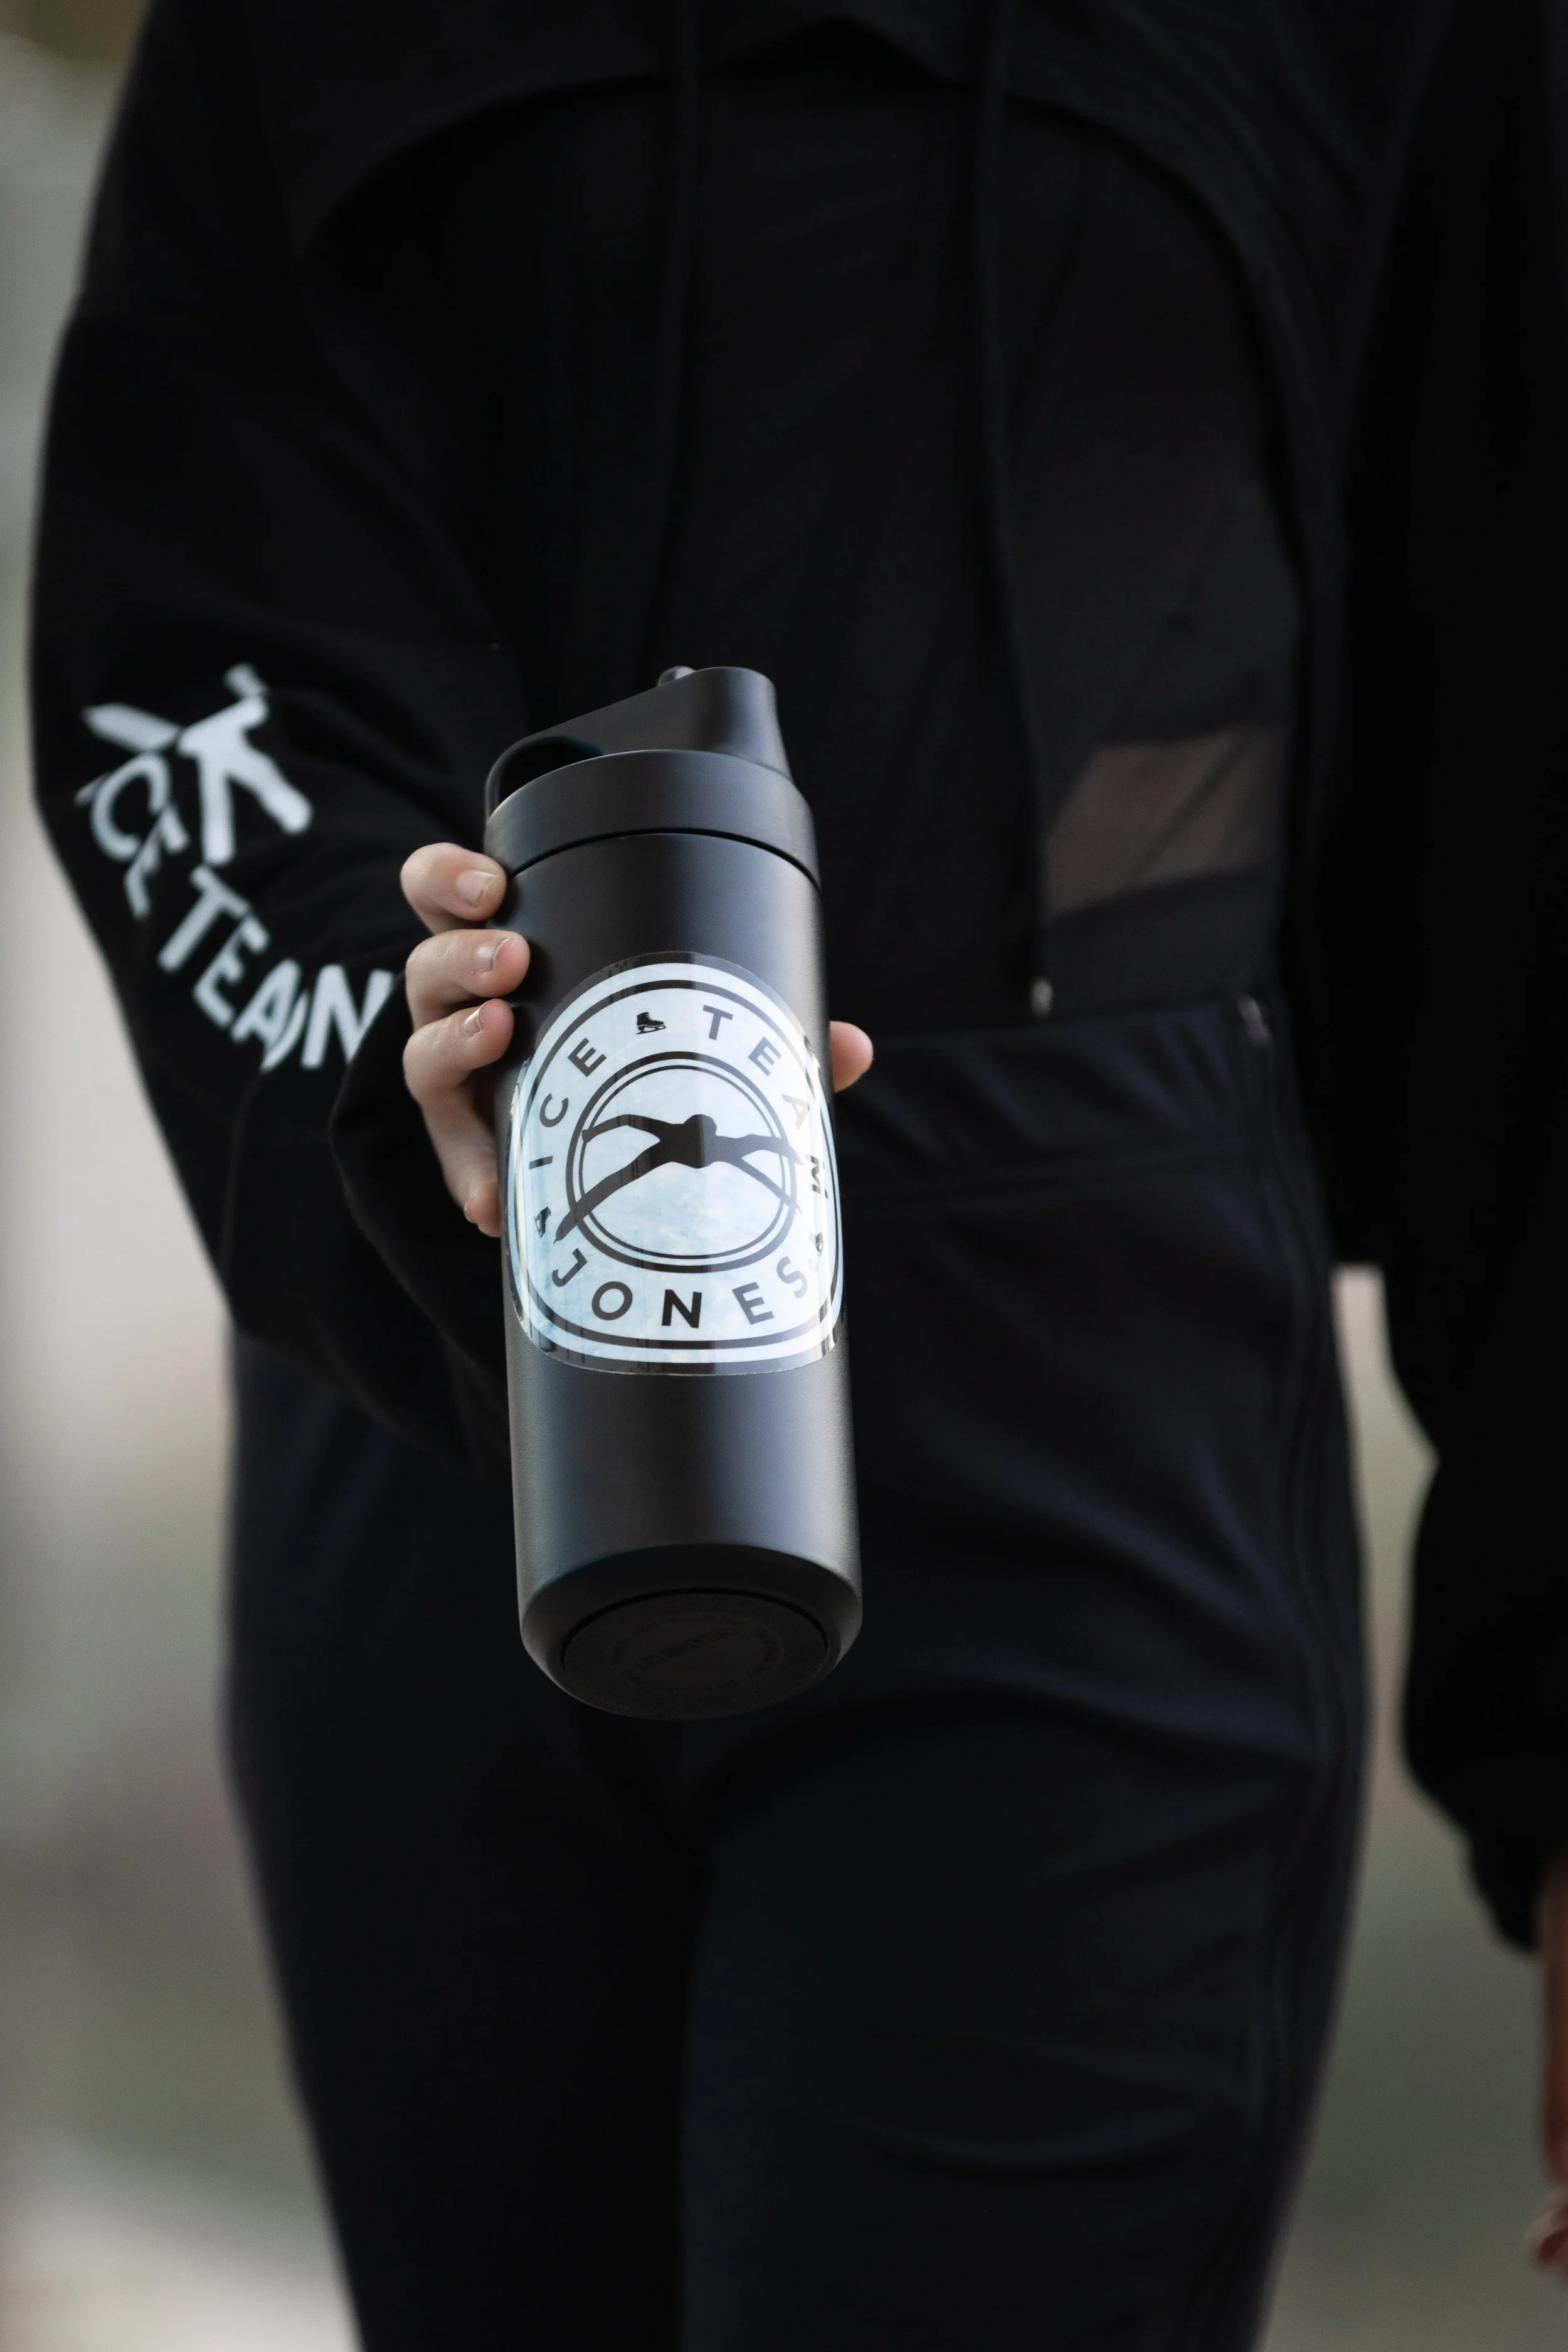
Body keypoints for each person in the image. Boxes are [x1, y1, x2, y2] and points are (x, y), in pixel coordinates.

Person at [30, 0, 1568, 2341]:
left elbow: (1528, 782)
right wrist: (401, 1023)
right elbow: (201, 621)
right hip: (446, 1373)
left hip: (1088, 1422)